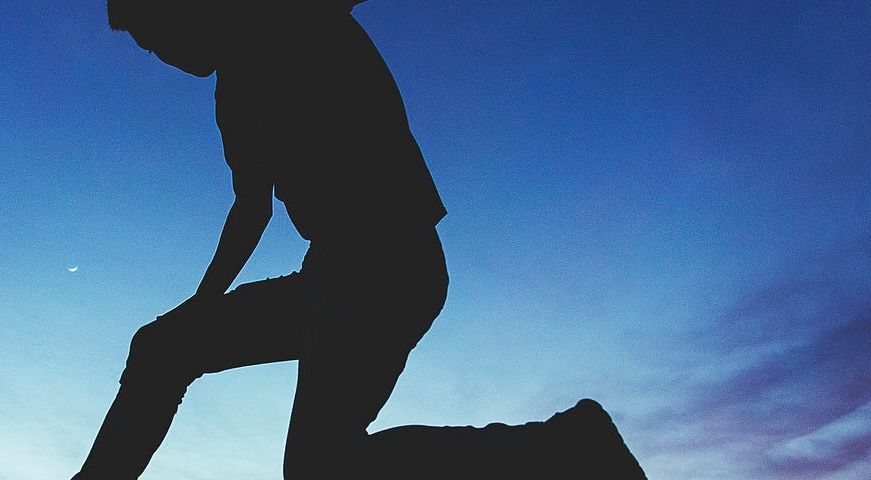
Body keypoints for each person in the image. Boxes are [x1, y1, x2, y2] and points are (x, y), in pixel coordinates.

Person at [74, 1, 645, 478]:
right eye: (147, 49)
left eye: (155, 36)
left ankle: (562, 449)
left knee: (321, 470)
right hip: (331, 274)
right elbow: (252, 206)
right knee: (163, 349)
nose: (164, 57)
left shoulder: (285, 16)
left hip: (392, 263)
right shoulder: (233, 93)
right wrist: (201, 307)